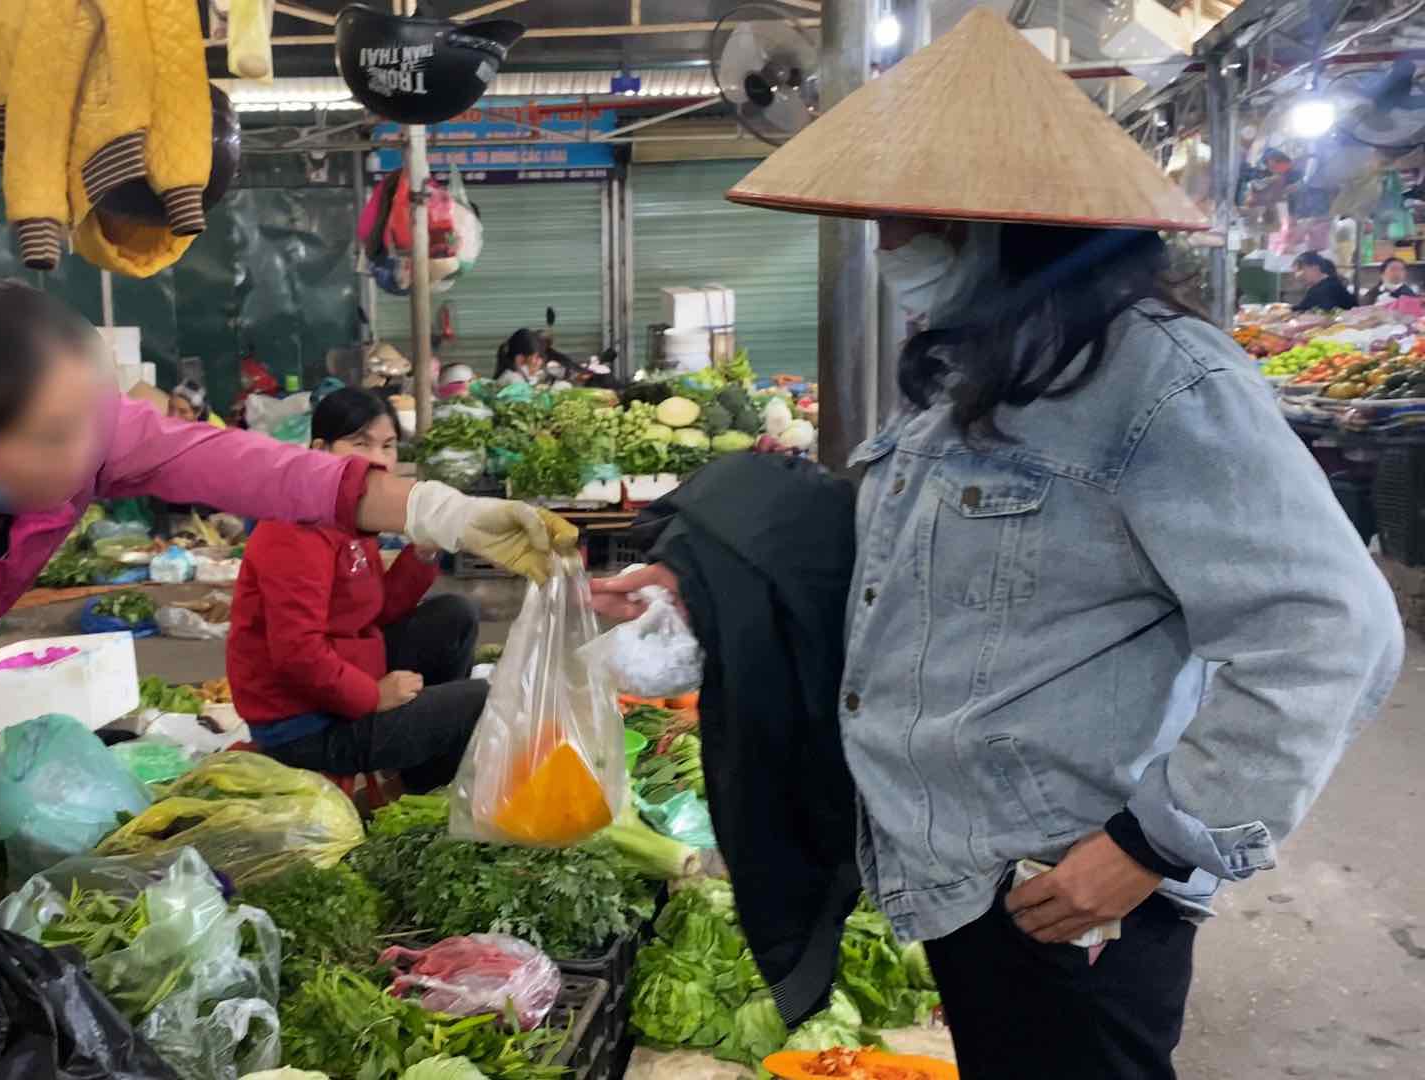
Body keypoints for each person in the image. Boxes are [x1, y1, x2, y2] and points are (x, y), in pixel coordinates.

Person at [598, 11, 1403, 1079]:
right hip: (966, 871)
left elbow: (1332, 634)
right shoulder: (974, 379)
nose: (887, 251)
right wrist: (702, 588)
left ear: (1002, 225)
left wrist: (1155, 845)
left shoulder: (1164, 386)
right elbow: (908, 569)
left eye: (904, 224)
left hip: (1070, 888)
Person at [0, 278, 576, 1059]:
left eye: (92, 415)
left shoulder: (77, 437)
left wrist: (435, 510)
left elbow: (246, 470)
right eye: (60, 433)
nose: (95, 449)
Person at [227, 388, 486, 793]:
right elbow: (297, 654)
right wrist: (373, 696)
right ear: (320, 449)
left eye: (387, 446)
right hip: (303, 724)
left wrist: (422, 552)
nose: (379, 459)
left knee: (455, 615)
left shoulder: (351, 518)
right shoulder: (295, 528)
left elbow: (374, 612)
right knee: (479, 701)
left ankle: (417, 769)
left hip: (341, 680)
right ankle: (421, 794)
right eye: (360, 444)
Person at [1290, 250, 1357, 311]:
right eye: (1296, 272)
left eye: (1301, 270)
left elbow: (1303, 310)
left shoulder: (1327, 288)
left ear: (1315, 267)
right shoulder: (1329, 283)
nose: (1298, 276)